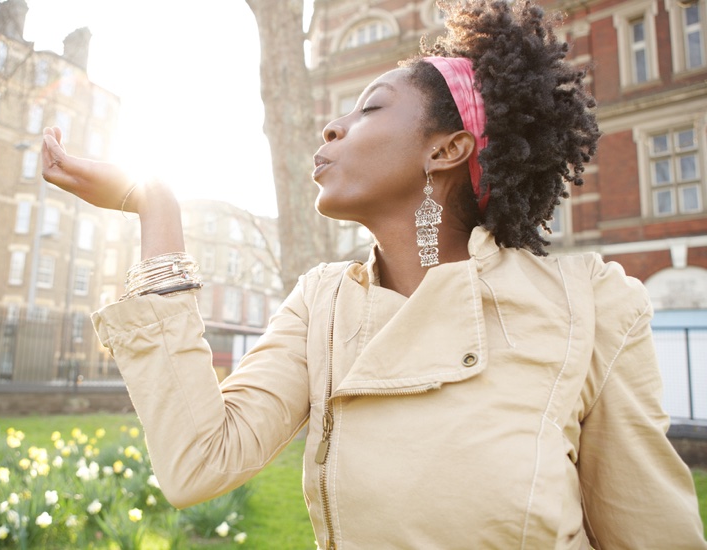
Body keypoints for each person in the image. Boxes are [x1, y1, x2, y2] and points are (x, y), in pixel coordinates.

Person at [42, 0, 706, 547]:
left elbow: (652, 534)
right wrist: (153, 203)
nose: (331, 127)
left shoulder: (591, 308)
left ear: (447, 149)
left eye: (370, 108)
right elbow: (198, 461)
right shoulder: (320, 304)